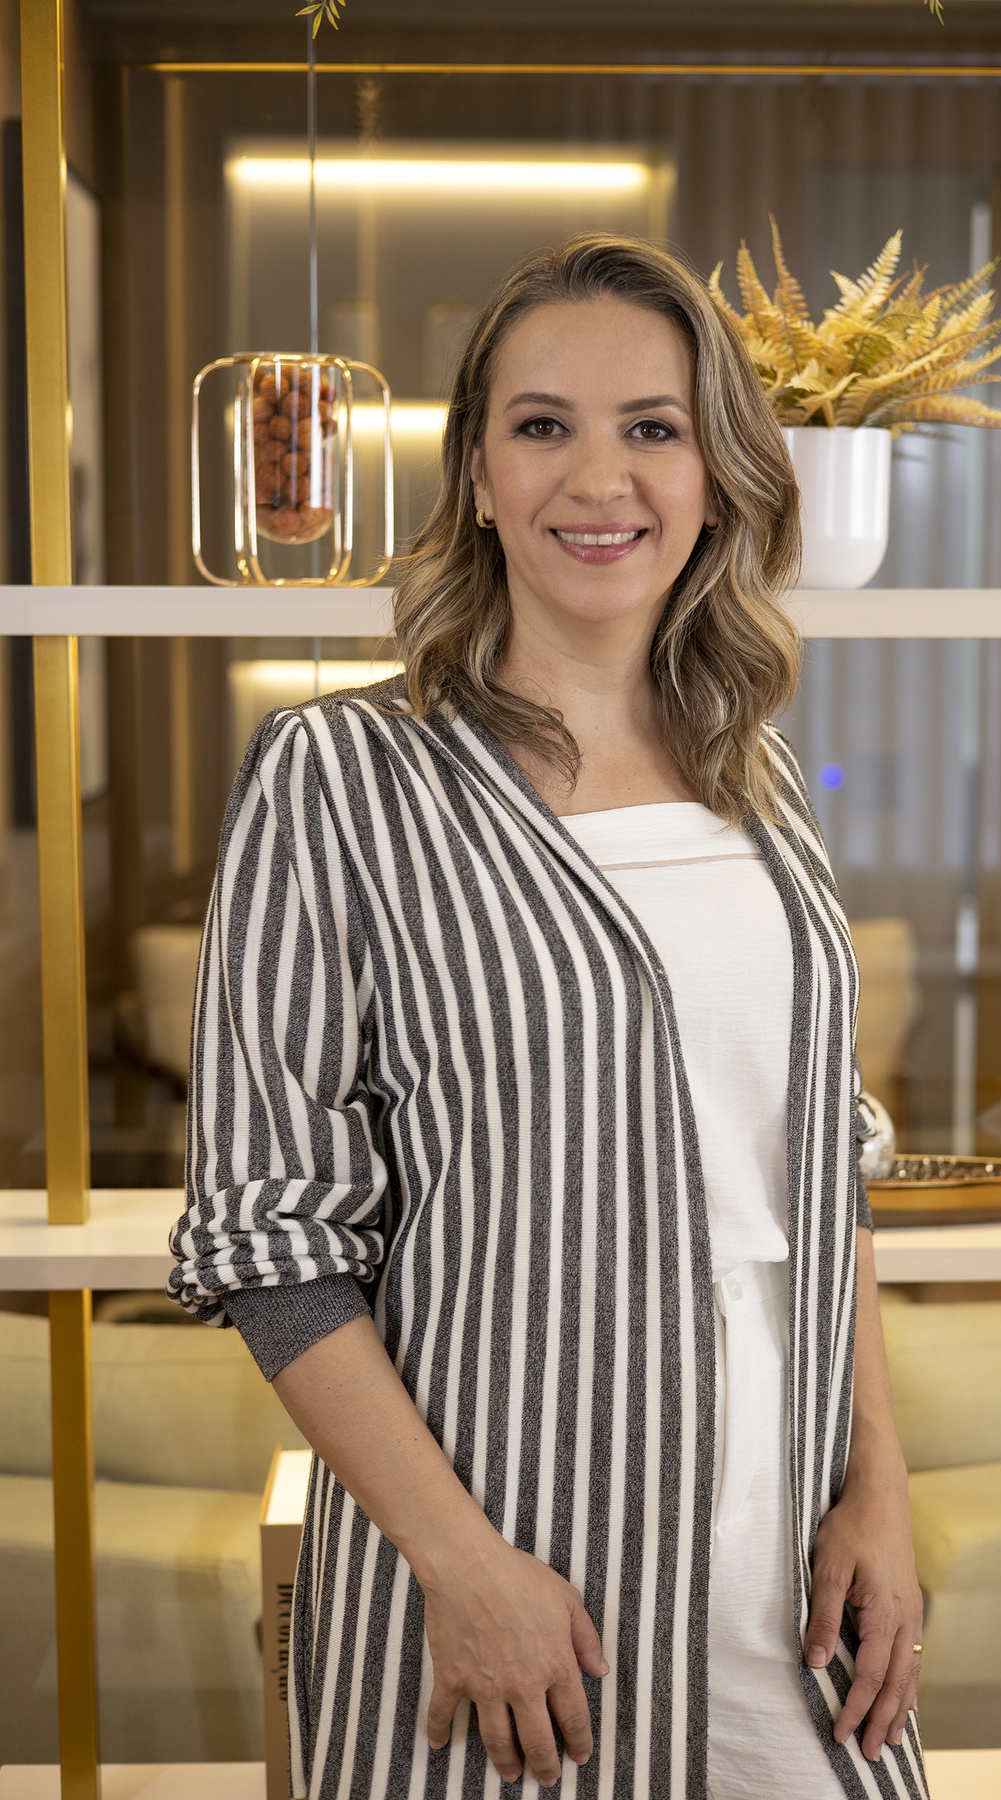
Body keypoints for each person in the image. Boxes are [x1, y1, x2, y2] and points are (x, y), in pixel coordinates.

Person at [170, 233, 928, 1800]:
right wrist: (462, 1567)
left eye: (652, 427)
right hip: (518, 1599)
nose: (600, 478)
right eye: (542, 426)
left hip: (797, 1579)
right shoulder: (339, 780)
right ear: (477, 473)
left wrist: (882, 1485)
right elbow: (269, 1238)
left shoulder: (757, 776)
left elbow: (824, 1166)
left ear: (714, 472)